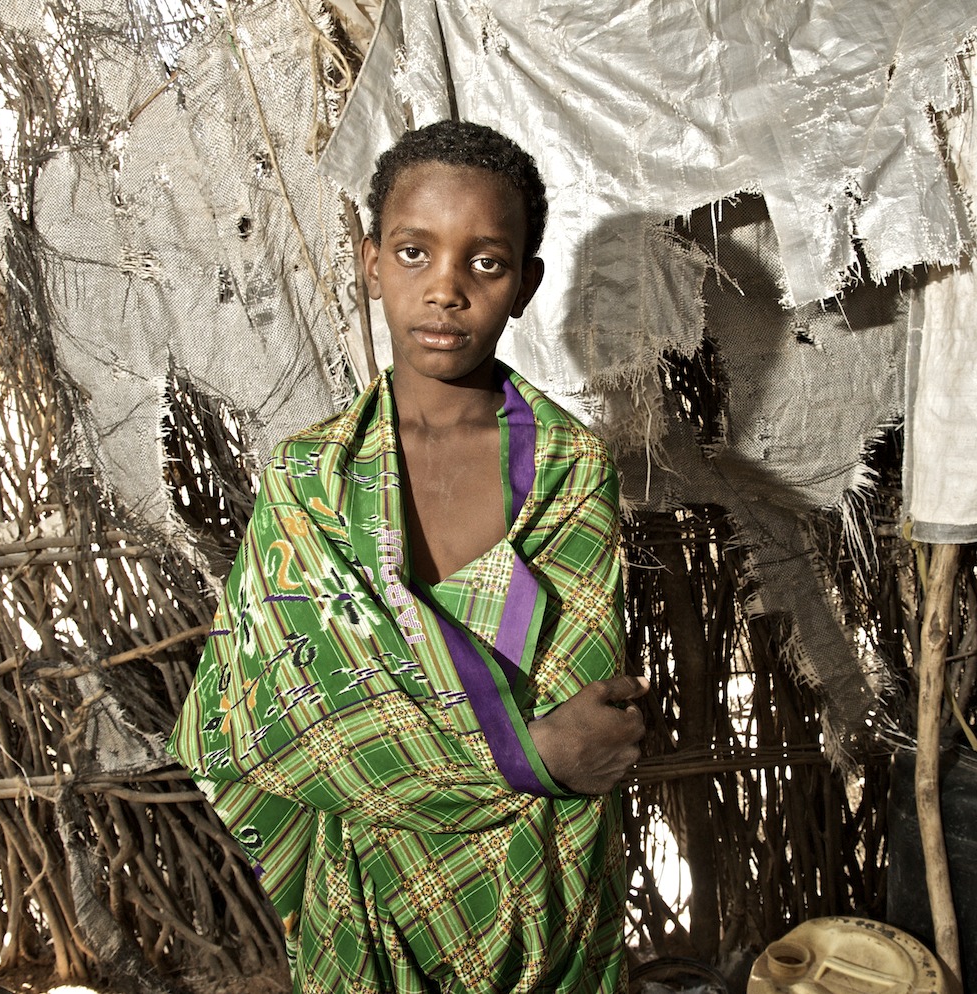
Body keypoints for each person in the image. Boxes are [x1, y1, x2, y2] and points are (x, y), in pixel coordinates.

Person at [170, 119, 647, 994]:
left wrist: (521, 748)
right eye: (415, 252)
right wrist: (520, 756)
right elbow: (265, 726)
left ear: (526, 285)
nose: (447, 290)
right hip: (369, 902)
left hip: (542, 886)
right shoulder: (310, 479)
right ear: (370, 262)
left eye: (486, 262)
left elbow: (590, 718)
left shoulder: (571, 469)